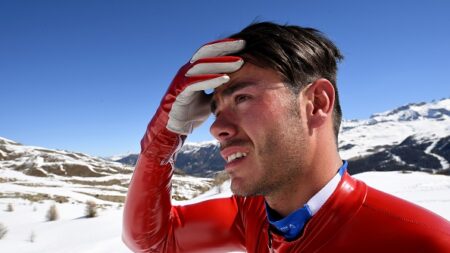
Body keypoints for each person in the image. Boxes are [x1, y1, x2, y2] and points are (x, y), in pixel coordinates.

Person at [122, 22, 450, 252]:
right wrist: (165, 135)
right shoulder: (252, 215)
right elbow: (153, 241)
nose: (215, 127)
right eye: (216, 108)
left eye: (241, 98)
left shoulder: (425, 244)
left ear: (317, 103)